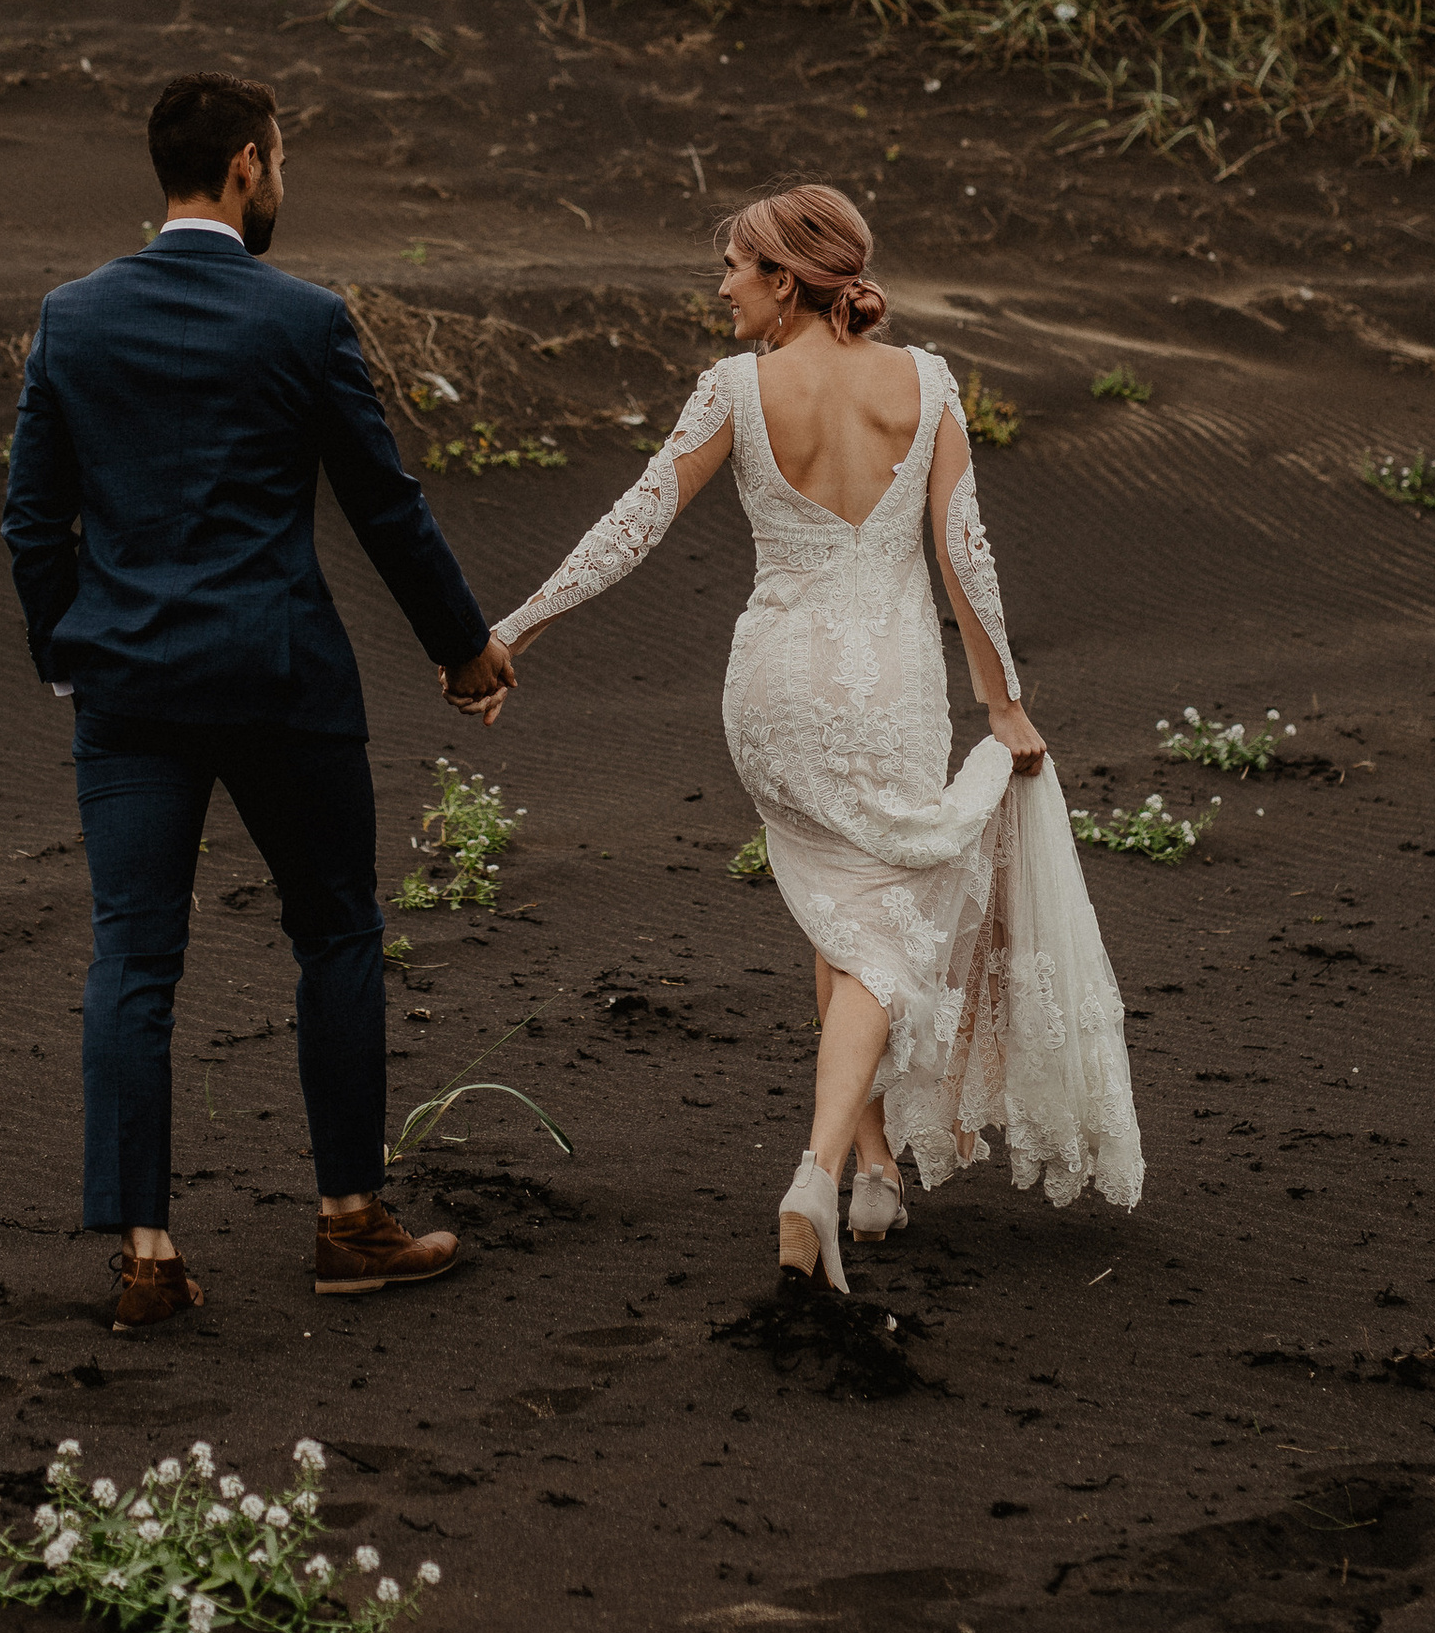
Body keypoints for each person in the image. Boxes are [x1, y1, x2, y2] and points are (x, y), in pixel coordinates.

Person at [478, 182, 1142, 1287]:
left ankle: (877, 1175)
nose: (722, 285)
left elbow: (634, 522)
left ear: (786, 281)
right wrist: (1004, 701)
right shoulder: (926, 384)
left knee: (844, 919)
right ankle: (818, 1171)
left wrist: (512, 631)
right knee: (882, 931)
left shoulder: (736, 390)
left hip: (775, 696)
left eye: (734, 266)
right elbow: (962, 554)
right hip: (889, 691)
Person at [3, 70, 517, 1329]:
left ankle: (146, 1258)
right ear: (243, 166)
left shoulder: (73, 319)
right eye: (278, 160)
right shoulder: (301, 319)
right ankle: (348, 1223)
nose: (281, 180)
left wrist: (69, 654)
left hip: (126, 688)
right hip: (280, 678)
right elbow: (381, 502)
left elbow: (32, 521)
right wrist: (462, 646)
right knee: (335, 932)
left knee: (134, 954)